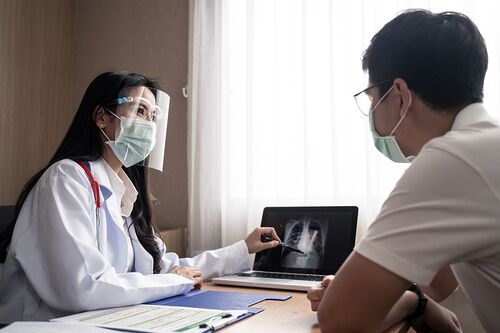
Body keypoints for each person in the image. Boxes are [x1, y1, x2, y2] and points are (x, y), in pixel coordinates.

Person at [0, 71, 281, 322]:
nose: (149, 124)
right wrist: (171, 282)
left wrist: (243, 248)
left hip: (106, 320)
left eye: (153, 116)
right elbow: (83, 286)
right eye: (140, 110)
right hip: (43, 324)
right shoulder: (66, 178)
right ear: (102, 117)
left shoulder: (123, 194)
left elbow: (167, 268)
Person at [307, 9, 500, 333]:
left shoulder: (453, 159)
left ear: (399, 95)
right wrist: (418, 301)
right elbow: (437, 282)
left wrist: (411, 302)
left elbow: (339, 319)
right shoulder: (483, 149)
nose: (372, 115)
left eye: (371, 99)